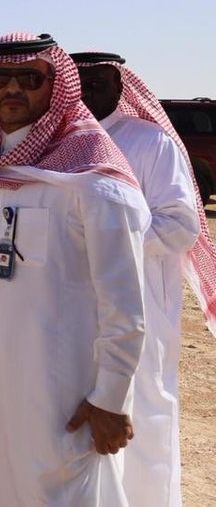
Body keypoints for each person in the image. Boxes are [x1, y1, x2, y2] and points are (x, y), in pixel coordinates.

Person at [0, 33, 148, 507]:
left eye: (28, 78)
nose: (12, 89)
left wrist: (111, 398)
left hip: (63, 391)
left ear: (56, 85)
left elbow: (124, 305)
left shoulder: (94, 177)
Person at [72, 50, 213, 507]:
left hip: (141, 301)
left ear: (121, 86)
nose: (88, 91)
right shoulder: (60, 141)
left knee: (143, 408)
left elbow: (180, 225)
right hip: (72, 300)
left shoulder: (151, 142)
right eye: (80, 82)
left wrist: (107, 241)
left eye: (99, 82)